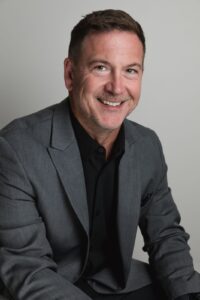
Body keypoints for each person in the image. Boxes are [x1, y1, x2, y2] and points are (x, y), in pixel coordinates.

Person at [0, 9, 199, 300]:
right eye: (101, 67)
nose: (117, 88)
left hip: (115, 283)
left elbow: (166, 235)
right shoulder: (15, 148)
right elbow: (26, 268)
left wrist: (188, 296)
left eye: (130, 70)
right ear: (70, 74)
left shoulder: (147, 145)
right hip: (41, 289)